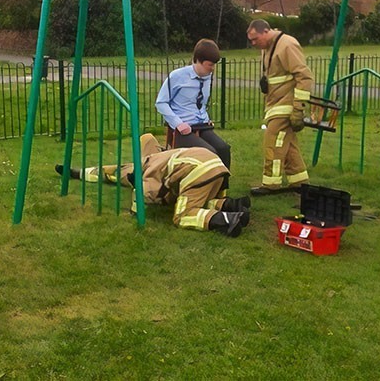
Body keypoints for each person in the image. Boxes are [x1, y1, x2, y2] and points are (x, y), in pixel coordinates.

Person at [55, 133, 250, 237]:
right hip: (216, 165)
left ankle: (225, 220)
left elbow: (147, 194)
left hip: (197, 172)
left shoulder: (147, 169)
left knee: (182, 215)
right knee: (199, 198)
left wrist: (135, 202)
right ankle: (229, 206)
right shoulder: (160, 155)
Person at [246, 19, 313, 195]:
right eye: (251, 40)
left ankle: (270, 183)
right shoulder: (267, 47)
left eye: (255, 39)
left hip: (286, 106)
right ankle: (299, 182)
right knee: (288, 144)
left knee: (273, 142)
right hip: (274, 105)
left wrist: (298, 109)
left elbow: (304, 77)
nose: (253, 44)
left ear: (266, 31)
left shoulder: (287, 45)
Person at [155, 39, 231, 170]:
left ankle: (221, 188)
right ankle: (204, 187)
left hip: (201, 126)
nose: (213, 69)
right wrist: (178, 124)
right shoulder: (177, 76)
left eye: (214, 65)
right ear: (198, 60)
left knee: (223, 149)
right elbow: (161, 103)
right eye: (209, 65)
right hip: (182, 130)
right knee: (208, 153)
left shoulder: (207, 78)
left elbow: (200, 104)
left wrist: (205, 118)